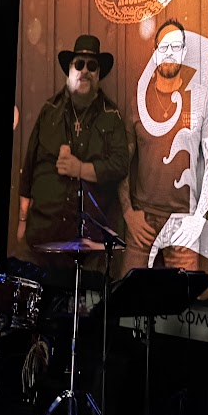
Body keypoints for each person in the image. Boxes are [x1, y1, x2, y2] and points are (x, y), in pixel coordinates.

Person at [16, 34, 131, 255]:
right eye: (79, 64)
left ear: (98, 74)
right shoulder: (49, 111)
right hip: (44, 232)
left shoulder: (111, 115)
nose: (85, 71)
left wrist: (81, 169)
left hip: (89, 240)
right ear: (69, 70)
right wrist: (22, 221)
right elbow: (29, 169)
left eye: (92, 66)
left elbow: (120, 165)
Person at [119, 20, 200, 273]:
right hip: (143, 221)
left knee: (183, 297)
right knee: (129, 294)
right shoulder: (138, 102)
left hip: (183, 223)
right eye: (163, 46)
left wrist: (197, 219)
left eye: (176, 46)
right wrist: (129, 213)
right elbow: (122, 163)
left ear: (184, 52)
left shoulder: (198, 99)